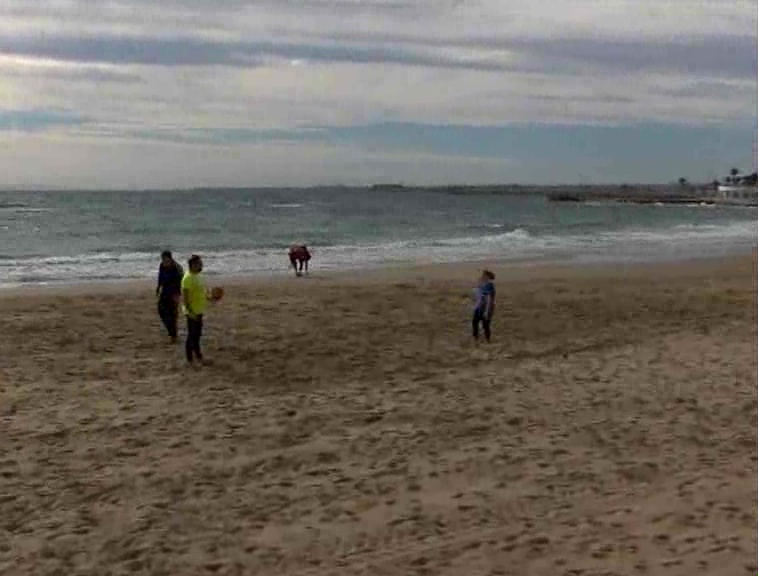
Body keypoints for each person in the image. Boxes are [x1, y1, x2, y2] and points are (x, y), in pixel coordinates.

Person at [181, 254, 209, 364]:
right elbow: (185, 298)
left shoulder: (198, 276)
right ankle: (189, 358)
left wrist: (210, 297)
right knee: (191, 335)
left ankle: (198, 354)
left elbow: (202, 292)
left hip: (199, 310)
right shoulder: (187, 278)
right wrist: (191, 313)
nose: (201, 265)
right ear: (193, 265)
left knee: (197, 335)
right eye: (199, 263)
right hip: (192, 312)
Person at [156, 250, 183, 342]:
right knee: (161, 310)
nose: (163, 260)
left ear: (170, 258)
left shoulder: (177, 268)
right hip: (165, 291)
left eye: (165, 258)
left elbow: (181, 282)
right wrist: (158, 287)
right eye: (162, 258)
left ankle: (173, 335)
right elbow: (160, 277)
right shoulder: (162, 265)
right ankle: (171, 331)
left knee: (172, 315)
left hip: (173, 293)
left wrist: (177, 295)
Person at [472, 269, 496, 343]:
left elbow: (490, 297)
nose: (482, 276)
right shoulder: (482, 283)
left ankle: (488, 340)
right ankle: (476, 338)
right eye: (482, 275)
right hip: (479, 306)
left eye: (484, 275)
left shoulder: (490, 284)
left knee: (485, 324)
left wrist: (488, 309)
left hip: (486, 307)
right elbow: (476, 293)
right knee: (475, 322)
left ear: (487, 276)